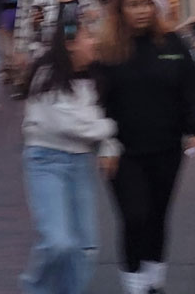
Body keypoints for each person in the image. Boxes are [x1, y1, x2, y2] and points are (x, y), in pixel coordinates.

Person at [93, 0, 195, 294]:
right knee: (135, 214)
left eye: (147, 3)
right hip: (122, 150)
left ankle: (153, 276)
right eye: (133, 5)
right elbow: (93, 102)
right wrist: (102, 145)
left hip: (166, 146)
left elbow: (193, 90)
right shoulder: (106, 51)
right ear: (119, 11)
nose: (143, 10)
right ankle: (132, 279)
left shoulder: (172, 44)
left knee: (158, 213)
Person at [19, 17, 120, 294]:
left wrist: (108, 145)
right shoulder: (47, 77)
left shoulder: (92, 79)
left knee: (85, 246)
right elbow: (72, 124)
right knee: (57, 242)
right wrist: (109, 130)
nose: (94, 42)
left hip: (80, 164)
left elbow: (93, 121)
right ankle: (34, 288)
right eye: (89, 36)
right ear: (70, 44)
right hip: (46, 162)